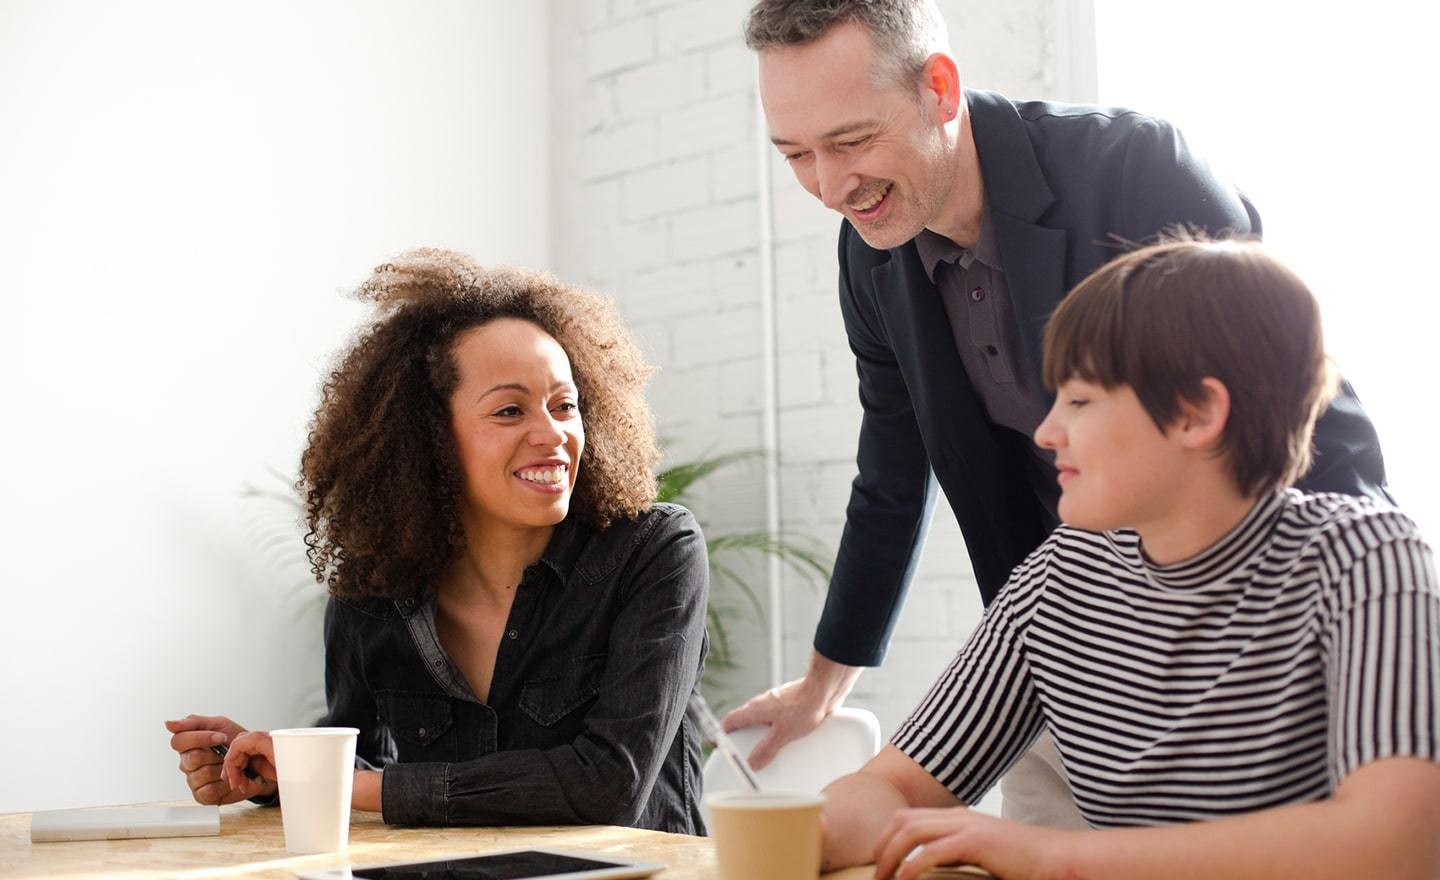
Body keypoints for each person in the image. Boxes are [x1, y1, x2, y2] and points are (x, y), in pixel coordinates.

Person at [724, 0, 1388, 825]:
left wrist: (1355, 602)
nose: (828, 187)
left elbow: (1290, 379)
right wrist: (828, 678)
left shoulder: (1133, 168)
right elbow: (893, 468)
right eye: (795, 155)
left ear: (938, 89)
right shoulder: (871, 255)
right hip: (1069, 621)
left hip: (1239, 615)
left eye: (851, 142)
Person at [818, 236, 1440, 879]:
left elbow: (1394, 844)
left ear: (1198, 414)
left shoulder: (1366, 559)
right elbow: (892, 788)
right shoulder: (1061, 577)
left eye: (1080, 401)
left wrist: (1052, 857)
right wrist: (799, 830)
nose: (1046, 431)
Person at [164, 249, 709, 834]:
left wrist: (343, 781)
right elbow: (365, 764)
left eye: (564, 405)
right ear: (429, 440)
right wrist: (278, 775)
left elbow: (609, 784)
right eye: (509, 410)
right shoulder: (371, 591)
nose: (552, 433)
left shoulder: (652, 550)